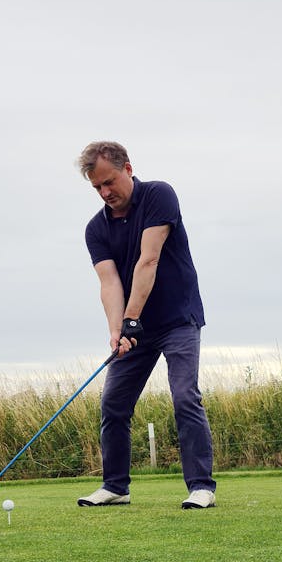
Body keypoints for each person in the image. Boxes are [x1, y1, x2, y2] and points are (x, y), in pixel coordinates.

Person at [75, 141, 217, 509]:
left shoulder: (159, 195)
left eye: (109, 182)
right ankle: (116, 487)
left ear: (127, 169)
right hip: (135, 325)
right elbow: (109, 283)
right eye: (97, 188)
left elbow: (148, 260)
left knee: (185, 395)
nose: (106, 193)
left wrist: (131, 318)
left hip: (177, 318)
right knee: (114, 403)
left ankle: (201, 487)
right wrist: (116, 330)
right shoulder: (96, 229)